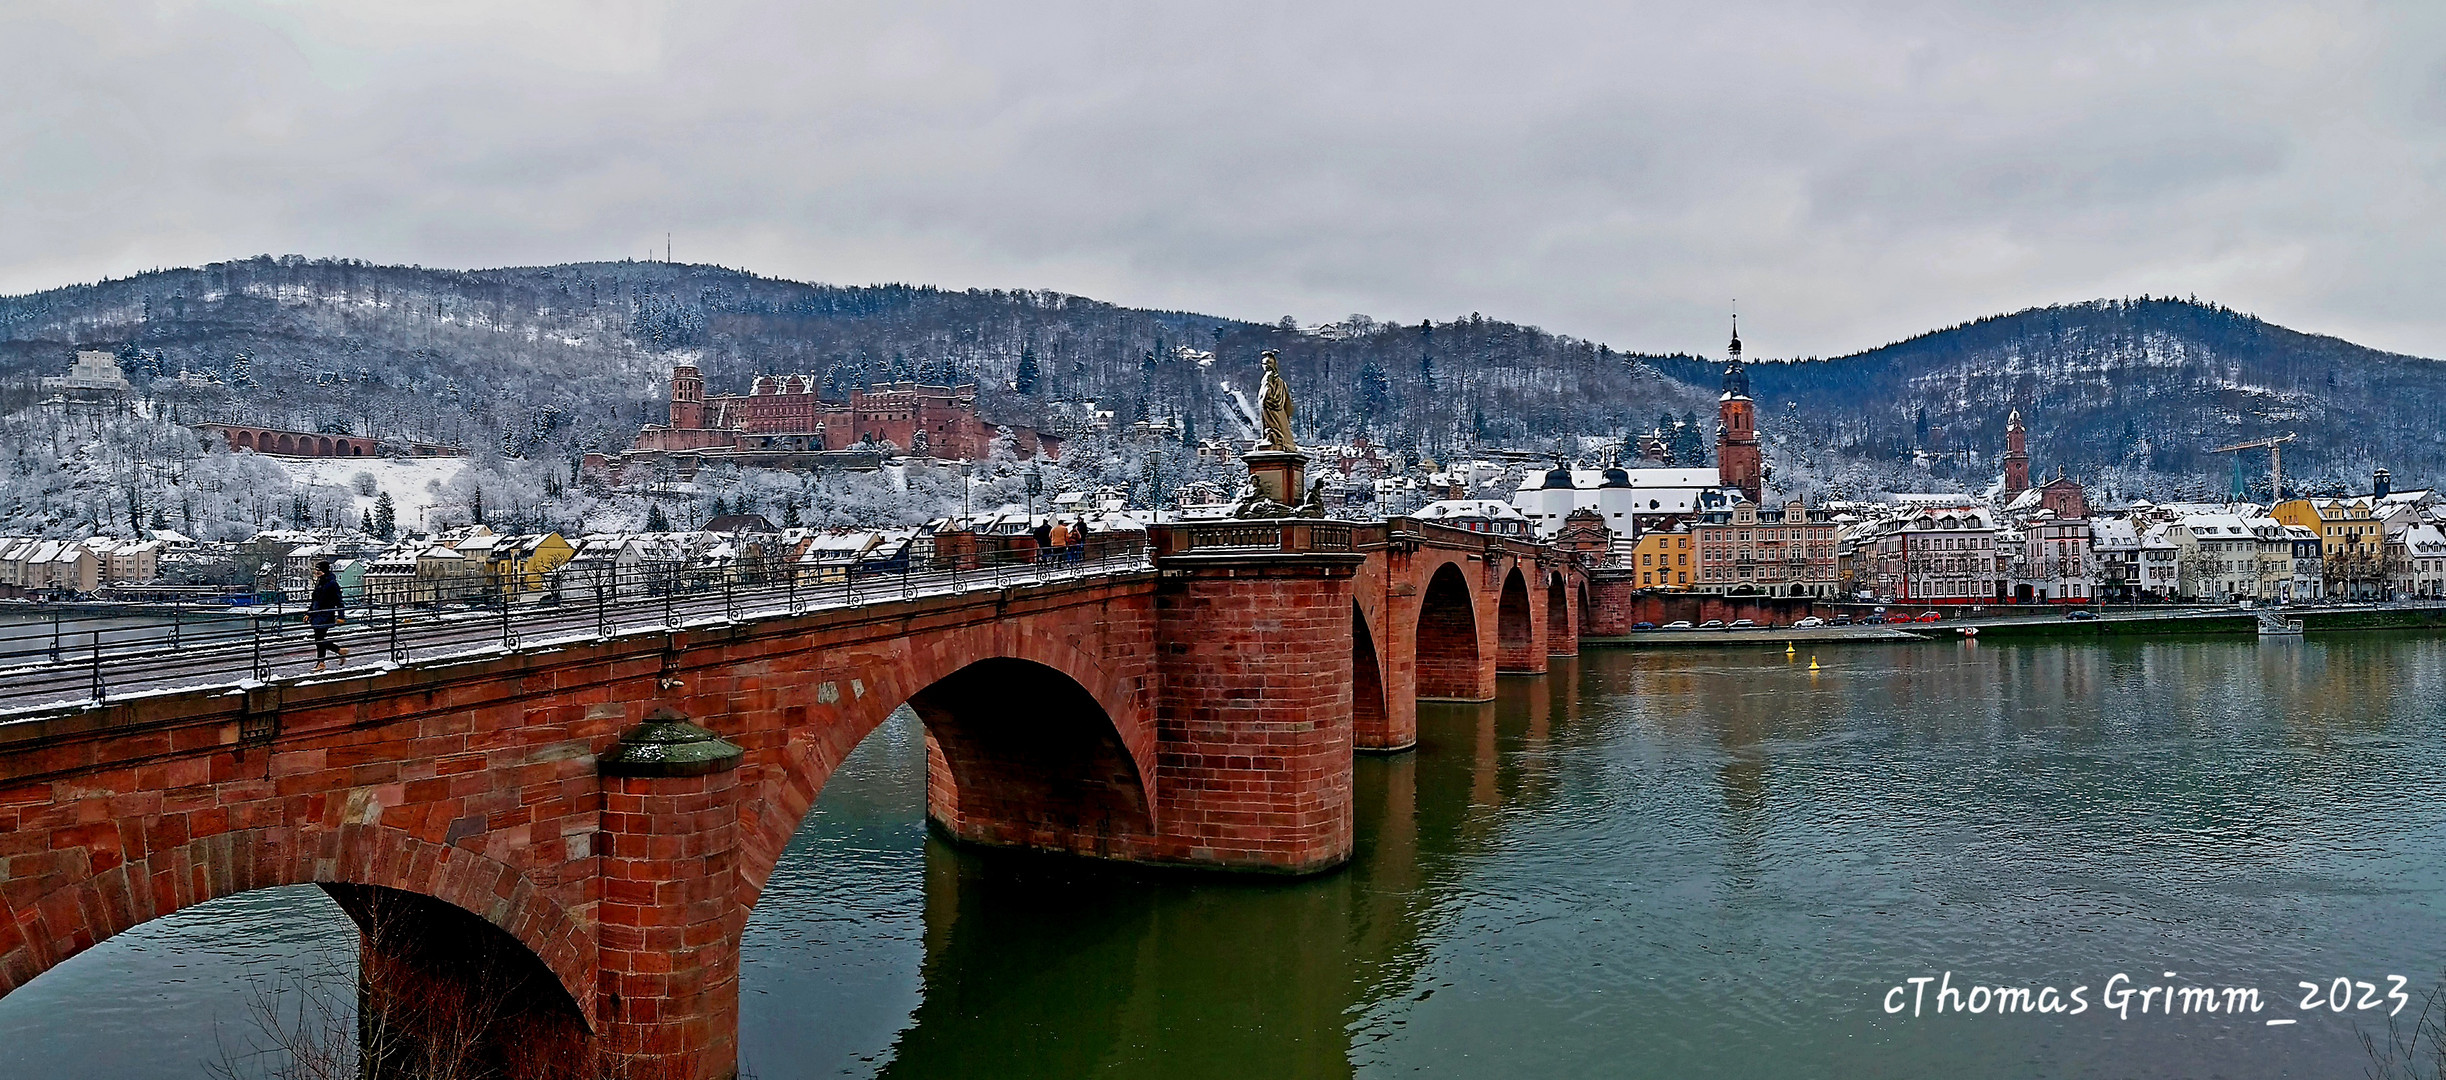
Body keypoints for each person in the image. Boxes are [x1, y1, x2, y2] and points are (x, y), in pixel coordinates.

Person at [309, 560, 348, 672]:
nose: (317, 572)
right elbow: (315, 599)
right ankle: (337, 652)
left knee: (319, 640)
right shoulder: (320, 582)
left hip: (326, 615)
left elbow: (339, 601)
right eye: (316, 570)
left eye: (319, 570)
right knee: (319, 639)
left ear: (325, 570)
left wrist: (341, 616)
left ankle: (323, 661)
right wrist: (309, 613)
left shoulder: (332, 583)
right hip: (317, 615)